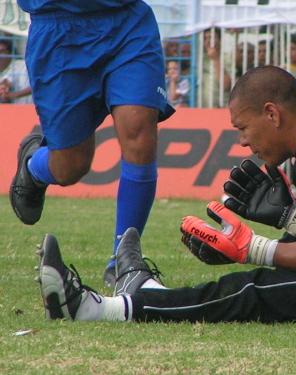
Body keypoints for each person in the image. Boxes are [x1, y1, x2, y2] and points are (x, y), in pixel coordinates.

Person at [37, 66, 296, 326]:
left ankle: (104, 309)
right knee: (261, 284)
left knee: (254, 291)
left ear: (272, 113)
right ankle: (145, 294)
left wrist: (251, 248)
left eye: (242, 128)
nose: (243, 142)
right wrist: (294, 224)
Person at [10, 0, 175, 288]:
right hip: (59, 29)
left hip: (127, 21)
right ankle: (33, 166)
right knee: (70, 166)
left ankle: (122, 262)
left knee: (139, 130)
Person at [0, 38, 32, 104]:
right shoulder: (4, 73)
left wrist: (12, 95)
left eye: (1, 52)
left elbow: (39, 85)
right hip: (17, 112)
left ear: (10, 53)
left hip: (36, 110)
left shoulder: (23, 65)